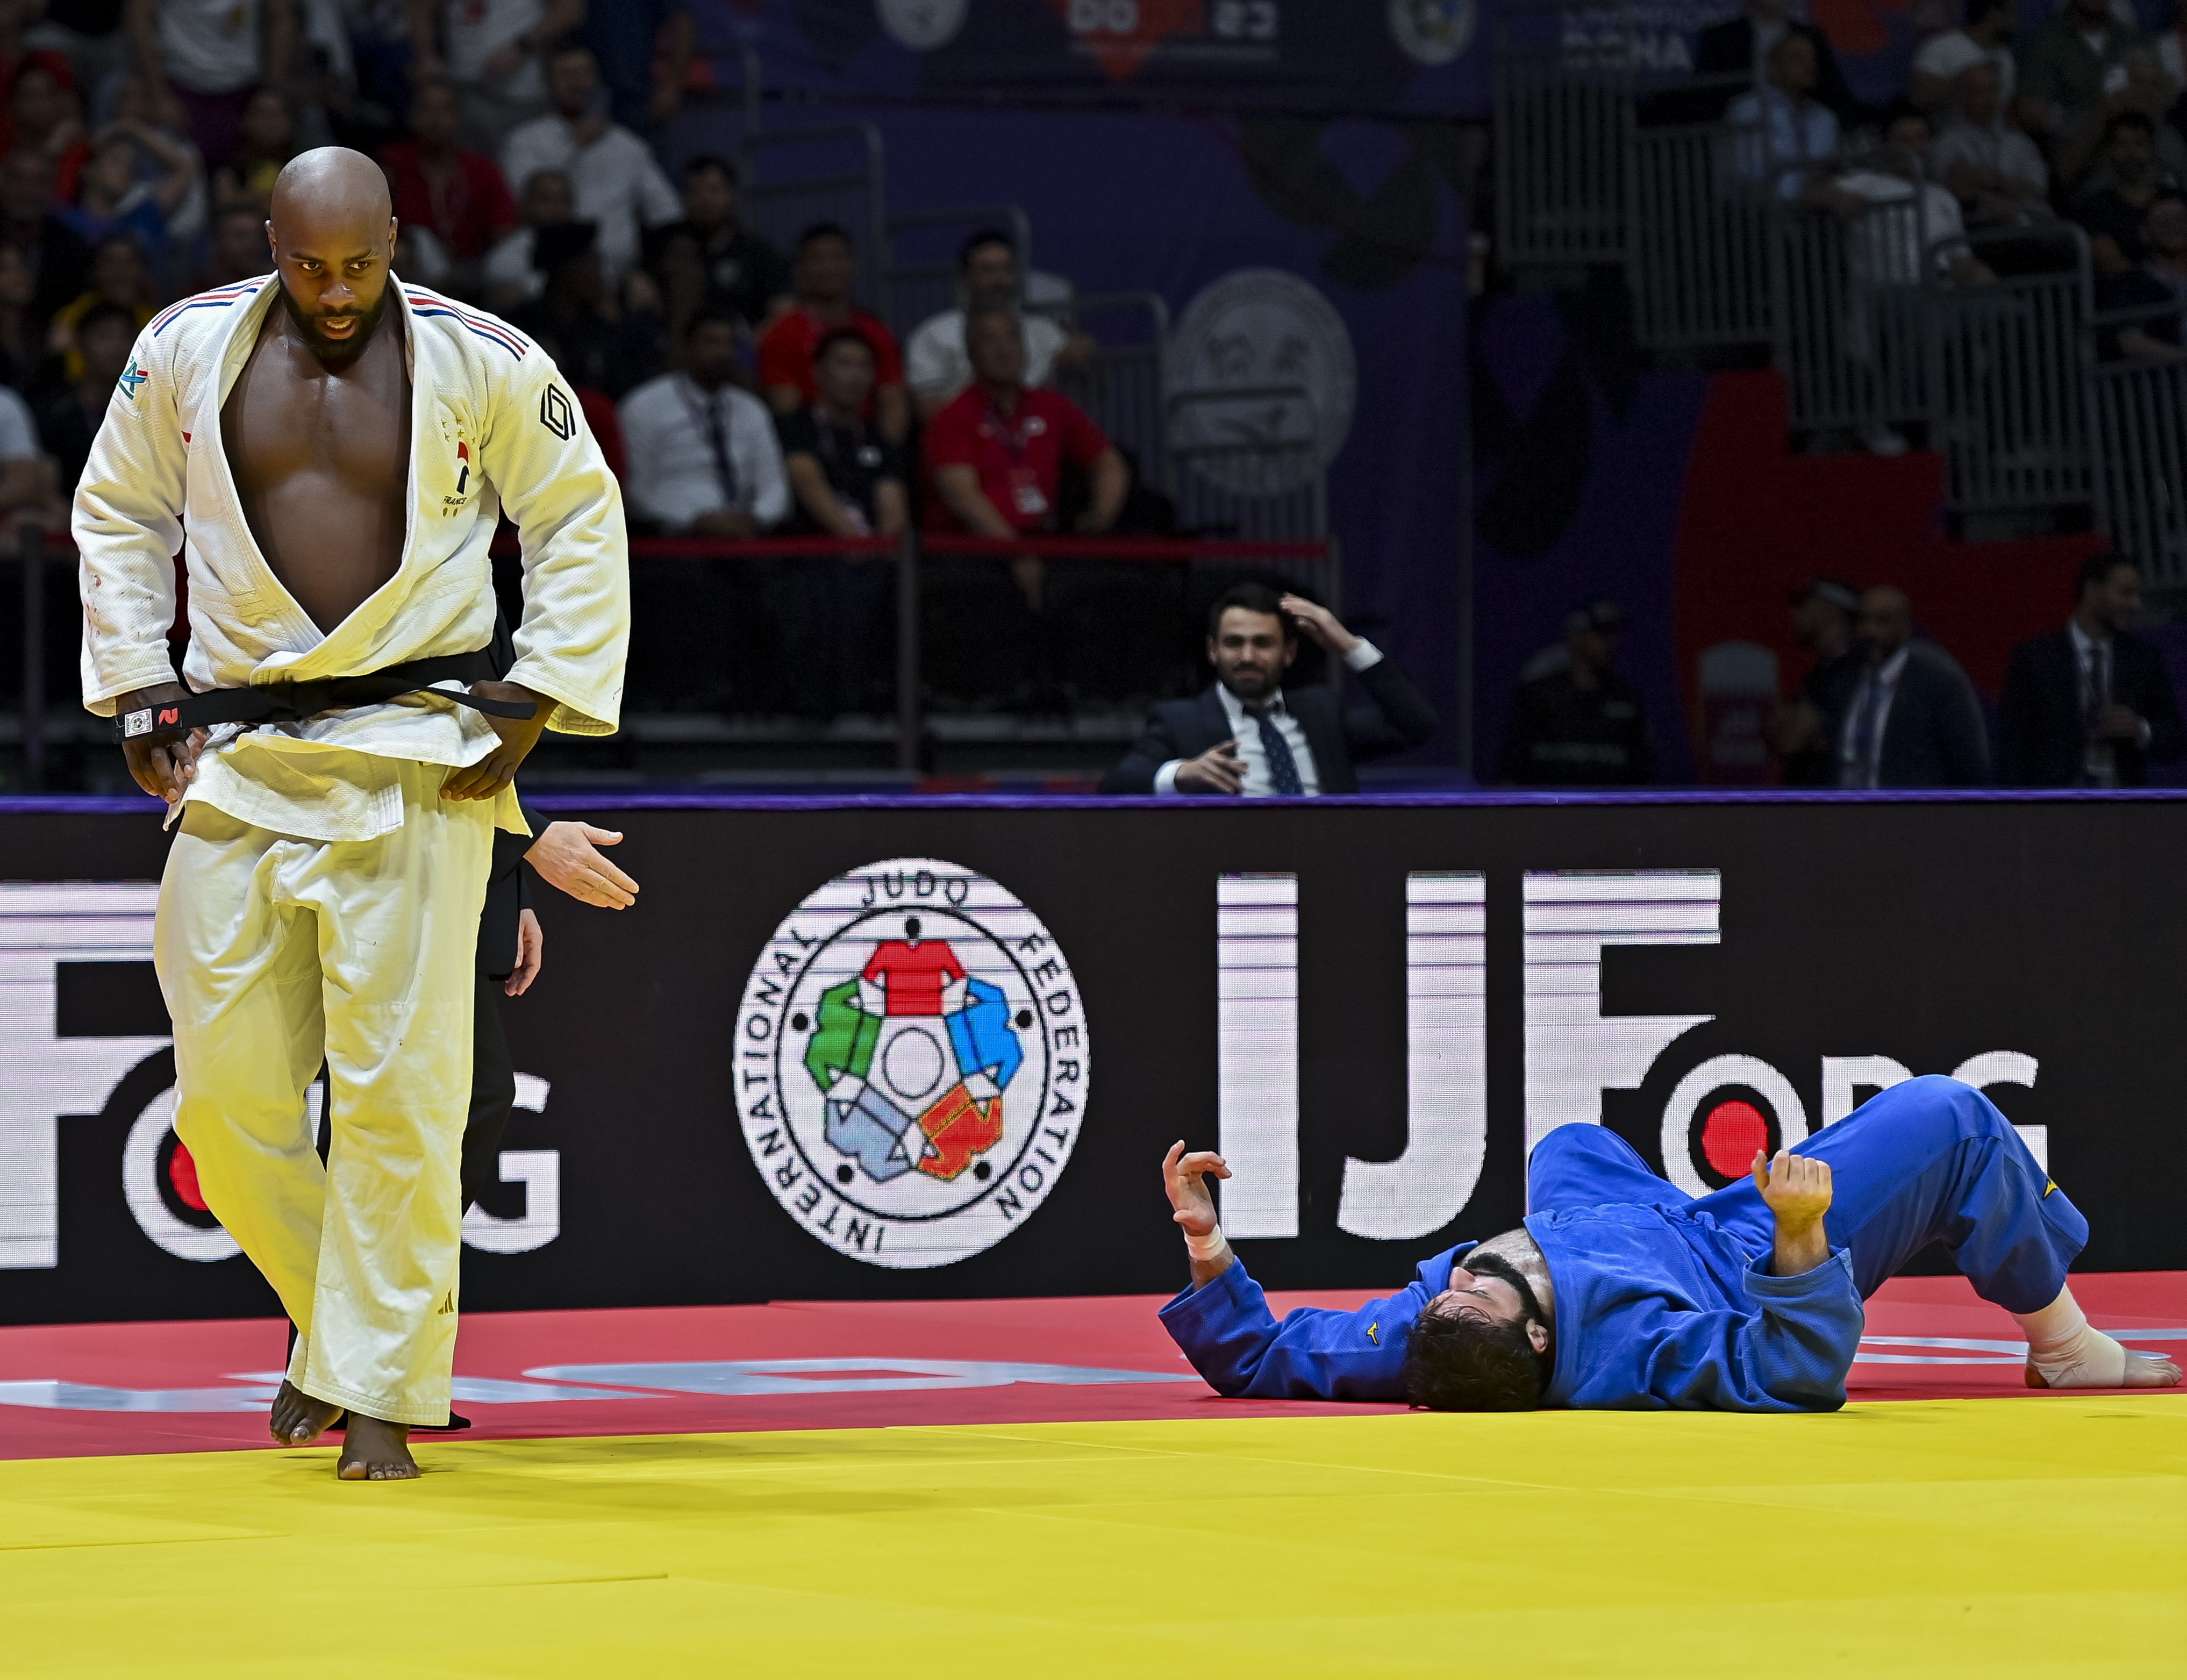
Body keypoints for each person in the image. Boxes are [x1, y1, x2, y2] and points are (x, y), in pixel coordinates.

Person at [75, 146, 628, 1480]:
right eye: (309, 265)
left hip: (412, 751)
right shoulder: (184, 349)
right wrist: (143, 681)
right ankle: (340, 1332)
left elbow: (577, 516)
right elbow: (116, 511)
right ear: (268, 238)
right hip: (244, 747)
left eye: (359, 264)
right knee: (222, 1098)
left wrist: (537, 694)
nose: (334, 293)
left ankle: (381, 1389)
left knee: (400, 1095)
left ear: (398, 237)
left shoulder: (485, 356)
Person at [1159, 1077, 2184, 1411]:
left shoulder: (1415, 1342)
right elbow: (1795, 1369)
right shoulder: (1639, 1348)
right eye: (1483, 1299)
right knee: (1948, 1115)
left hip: (1604, 1216)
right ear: (1533, 1346)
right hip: (1728, 1253)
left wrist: (1210, 1251)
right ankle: (2062, 1343)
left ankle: (1670, 1197)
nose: (1461, 1279)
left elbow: (1256, 1359)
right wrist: (1795, 1238)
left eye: (1451, 1294)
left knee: (1569, 1139)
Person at [1099, 582, 1438, 797]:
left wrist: (1349, 646)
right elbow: (1115, 786)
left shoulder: (1321, 711)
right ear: (1212, 651)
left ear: (1289, 652)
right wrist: (1180, 774)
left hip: (1329, 864)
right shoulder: (1180, 720)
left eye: (1263, 644)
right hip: (1234, 874)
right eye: (1234, 643)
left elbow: (1415, 726)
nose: (1247, 657)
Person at [923, 304, 1124, 609]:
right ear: (971, 354)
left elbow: (1109, 463)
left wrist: (1101, 517)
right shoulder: (953, 417)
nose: (1004, 349)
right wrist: (1015, 552)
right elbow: (963, 496)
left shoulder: (1051, 406)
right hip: (972, 550)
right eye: (990, 341)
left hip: (1044, 540)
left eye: (1013, 339)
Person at [1999, 554, 2185, 785]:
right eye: (2125, 593)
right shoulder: (2035, 659)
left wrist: (2140, 729)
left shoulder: (2143, 660)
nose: (2135, 603)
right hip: (2056, 804)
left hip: (2125, 803)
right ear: (2092, 591)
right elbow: (2012, 745)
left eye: (2136, 594)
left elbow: (2174, 738)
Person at [500, 44, 678, 283]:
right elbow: (524, 205)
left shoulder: (628, 146)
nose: (576, 83)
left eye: (583, 74)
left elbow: (667, 213)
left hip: (619, 277)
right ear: (547, 82)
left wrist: (647, 273)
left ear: (597, 80)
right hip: (544, 275)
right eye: (565, 75)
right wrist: (577, 147)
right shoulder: (524, 141)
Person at [618, 306, 788, 538]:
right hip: (673, 538)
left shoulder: (752, 410)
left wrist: (755, 517)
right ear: (687, 346)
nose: (723, 352)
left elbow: (774, 488)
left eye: (730, 344)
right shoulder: (645, 406)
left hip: (745, 534)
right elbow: (635, 492)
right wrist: (694, 520)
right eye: (712, 342)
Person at [904, 228, 1092, 422]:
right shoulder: (934, 334)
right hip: (968, 441)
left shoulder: (1044, 331)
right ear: (965, 277)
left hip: (1039, 438)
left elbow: (1085, 390)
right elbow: (929, 410)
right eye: (988, 271)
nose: (1000, 280)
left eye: (1007, 269)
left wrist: (1083, 356)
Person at [756, 221, 906, 441]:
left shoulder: (876, 331)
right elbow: (787, 413)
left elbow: (894, 402)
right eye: (818, 259)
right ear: (799, 269)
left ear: (852, 265)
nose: (829, 267)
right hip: (810, 450)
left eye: (837, 258)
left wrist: (884, 458)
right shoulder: (782, 333)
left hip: (869, 446)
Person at [1832, 585, 1990, 788]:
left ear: (1906, 626)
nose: (1869, 631)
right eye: (1863, 620)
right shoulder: (1842, 684)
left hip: (1911, 814)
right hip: (1844, 813)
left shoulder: (1937, 688)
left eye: (1882, 620)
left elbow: (1967, 768)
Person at [1499, 598, 1655, 787]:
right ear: (1576, 636)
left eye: (1614, 633)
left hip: (1609, 812)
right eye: (1600, 633)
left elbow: (1643, 773)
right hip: (1547, 810)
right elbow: (1512, 769)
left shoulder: (1626, 697)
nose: (1611, 642)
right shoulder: (1539, 696)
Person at [508, 217, 662, 400]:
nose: (600, 278)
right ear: (568, 272)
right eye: (592, 267)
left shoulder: (602, 331)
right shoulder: (518, 327)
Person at [125, 0, 294, 167]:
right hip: (180, 87)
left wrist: (272, 93)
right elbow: (139, 15)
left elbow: (281, 16)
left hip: (243, 90)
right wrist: (159, 95)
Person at [408, 0, 580, 159]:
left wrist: (522, 47)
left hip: (522, 95)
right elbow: (420, 7)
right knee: (471, 173)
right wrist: (426, 55)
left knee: (521, 171)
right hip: (464, 90)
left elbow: (571, 9)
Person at [378, 77, 518, 270]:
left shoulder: (482, 170)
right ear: (412, 116)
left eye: (445, 110)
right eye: (426, 109)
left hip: (476, 269)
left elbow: (505, 229)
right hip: (414, 269)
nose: (435, 119)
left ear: (458, 117)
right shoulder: (392, 164)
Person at [778, 328, 906, 540]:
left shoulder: (878, 439)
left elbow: (892, 507)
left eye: (863, 366)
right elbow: (807, 482)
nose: (854, 376)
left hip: (871, 560)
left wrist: (880, 555)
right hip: (811, 557)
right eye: (844, 364)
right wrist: (856, 545)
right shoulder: (795, 427)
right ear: (818, 371)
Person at [1694, 0, 1863, 126]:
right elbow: (1704, 100)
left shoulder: (1810, 36)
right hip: (1741, 134)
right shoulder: (1723, 38)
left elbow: (1832, 91)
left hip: (1802, 132)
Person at [672, 153, 789, 330]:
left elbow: (783, 309)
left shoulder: (759, 252)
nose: (705, 201)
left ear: (731, 194)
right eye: (695, 192)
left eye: (713, 191)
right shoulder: (670, 252)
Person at [1724, 33, 1841, 201]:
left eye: (1813, 59)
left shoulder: (1826, 119)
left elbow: (1827, 173)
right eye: (1797, 58)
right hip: (1759, 214)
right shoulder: (1750, 110)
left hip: (1817, 214)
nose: (1809, 66)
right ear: (1773, 67)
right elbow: (1746, 174)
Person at [1932, 60, 2050, 224]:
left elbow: (2036, 188)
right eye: (1979, 92)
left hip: (2032, 222)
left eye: (1993, 90)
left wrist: (1989, 181)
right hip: (1977, 227)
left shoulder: (2018, 141)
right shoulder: (1947, 144)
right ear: (1960, 97)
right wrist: (2008, 188)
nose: (1989, 100)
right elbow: (1956, 189)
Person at [1769, 576, 1862, 786]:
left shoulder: (1848, 671)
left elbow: (1790, 741)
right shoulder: (1821, 673)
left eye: (1802, 603)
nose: (1794, 614)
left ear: (1828, 607)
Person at [35, 293, 130, 490]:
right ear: (80, 343)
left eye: (125, 336)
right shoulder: (56, 410)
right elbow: (47, 482)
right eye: (104, 336)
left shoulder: (147, 407)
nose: (117, 347)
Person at [2017, 0, 2143, 145]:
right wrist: (2097, 118)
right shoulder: (2045, 41)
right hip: (2068, 150)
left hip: (2129, 150)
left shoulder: (2131, 40)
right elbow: (2032, 112)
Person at [2071, 111, 2175, 271]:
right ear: (2109, 150)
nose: (2131, 153)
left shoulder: (2175, 200)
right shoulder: (2095, 208)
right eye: (2122, 144)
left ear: (2152, 148)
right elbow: (2111, 264)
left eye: (2140, 144)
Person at [0, 144, 91, 319]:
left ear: (53, 188)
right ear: (4, 182)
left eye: (40, 182)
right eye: (20, 179)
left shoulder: (71, 246)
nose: (29, 192)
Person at [577, 0, 691, 138]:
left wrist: (671, 86)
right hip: (588, 91)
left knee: (640, 155)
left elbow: (684, 26)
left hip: (640, 94)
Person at [2102, 192, 2187, 355]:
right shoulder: (2129, 284)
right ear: (2145, 233)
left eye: (2180, 220)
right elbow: (2126, 339)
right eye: (2162, 222)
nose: (2172, 227)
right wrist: (2179, 358)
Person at [481, 163, 568, 311]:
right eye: (545, 199)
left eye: (563, 200)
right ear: (527, 204)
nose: (556, 208)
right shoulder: (505, 256)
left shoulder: (586, 251)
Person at [1912, 0, 2018, 111]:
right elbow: (1920, 97)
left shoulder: (2004, 55)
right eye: (2011, 12)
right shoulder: (1941, 47)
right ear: (1992, 13)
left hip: (1995, 128)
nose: (2015, 21)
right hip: (1954, 127)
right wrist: (1966, 84)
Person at [209, 84, 295, 214]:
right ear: (245, 119)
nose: (270, 121)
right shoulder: (229, 160)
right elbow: (225, 202)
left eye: (278, 114)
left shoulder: (304, 162)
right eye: (262, 114)